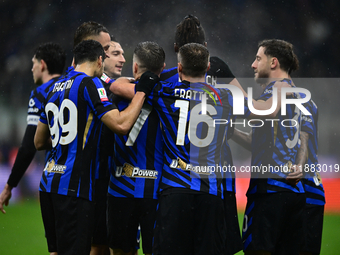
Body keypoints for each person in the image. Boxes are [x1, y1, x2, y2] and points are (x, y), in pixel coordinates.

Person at [34, 39, 157, 255]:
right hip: (74, 188)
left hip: (48, 186)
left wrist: (68, 137)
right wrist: (142, 92)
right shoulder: (90, 85)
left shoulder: (54, 88)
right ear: (100, 60)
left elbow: (39, 141)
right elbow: (121, 124)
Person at [159, 14, 243, 255]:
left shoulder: (166, 77)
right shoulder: (219, 68)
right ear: (206, 53)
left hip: (175, 174)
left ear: (176, 52)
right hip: (217, 175)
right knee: (215, 243)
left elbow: (134, 89)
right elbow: (242, 106)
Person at [232, 39, 306, 255]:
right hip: (292, 192)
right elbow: (300, 137)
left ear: (273, 62)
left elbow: (265, 110)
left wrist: (231, 83)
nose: (253, 65)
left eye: (258, 59)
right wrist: (232, 132)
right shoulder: (298, 94)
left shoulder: (278, 88)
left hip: (270, 190)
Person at [106, 41, 165, 255]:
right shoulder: (169, 97)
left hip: (120, 187)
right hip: (155, 189)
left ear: (135, 68)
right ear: (163, 67)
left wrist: (114, 83)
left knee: (120, 250)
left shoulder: (113, 97)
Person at [0, 42, 66, 214]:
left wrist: (9, 186)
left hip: (56, 176)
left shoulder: (40, 93)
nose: (32, 69)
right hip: (84, 178)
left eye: (33, 63)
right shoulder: (75, 86)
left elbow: (29, 147)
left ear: (42, 64)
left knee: (57, 240)